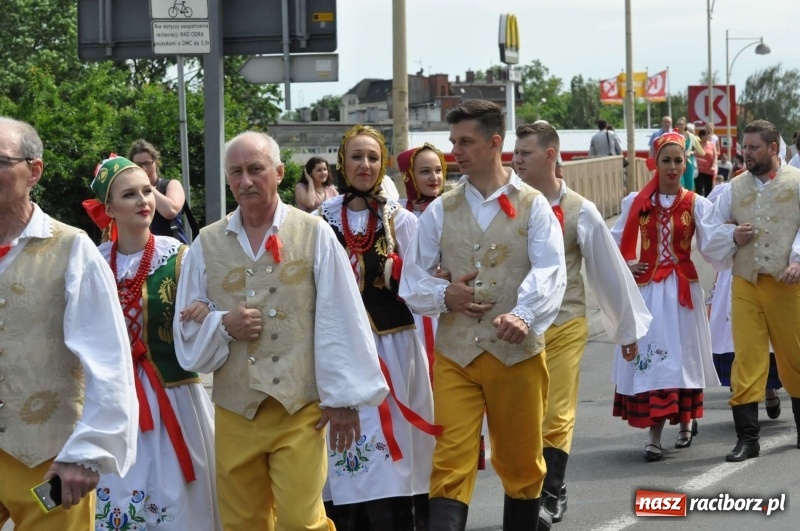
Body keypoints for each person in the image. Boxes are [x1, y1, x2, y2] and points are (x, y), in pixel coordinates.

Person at [173, 131, 389, 530]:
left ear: (279, 172)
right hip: (236, 410)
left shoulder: (314, 233)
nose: (245, 181)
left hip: (299, 408)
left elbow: (341, 317)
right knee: (243, 523)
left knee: (300, 522)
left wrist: (343, 398)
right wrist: (224, 325)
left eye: (255, 169)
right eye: (235, 172)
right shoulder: (205, 244)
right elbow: (187, 336)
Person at [400, 100, 567, 530]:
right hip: (456, 356)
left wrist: (524, 315)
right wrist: (445, 294)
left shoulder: (535, 206)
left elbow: (551, 271)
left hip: (517, 354)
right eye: (453, 141)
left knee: (521, 462)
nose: (456, 150)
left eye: (465, 141)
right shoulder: (440, 210)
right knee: (451, 460)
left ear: (495, 143)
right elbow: (413, 281)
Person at [0, 117, 138, 530]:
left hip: (44, 460)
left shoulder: (71, 248)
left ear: (34, 171)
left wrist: (89, 451)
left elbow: (108, 358)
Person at [513, 122, 652, 529]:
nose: (516, 160)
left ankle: (549, 493)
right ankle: (539, 487)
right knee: (524, 417)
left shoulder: (581, 210)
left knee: (557, 412)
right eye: (515, 153)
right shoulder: (507, 203)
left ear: (551, 155)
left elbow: (609, 273)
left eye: (525, 153)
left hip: (566, 322)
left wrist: (626, 331)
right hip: (518, 330)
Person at [82, 155, 221, 530]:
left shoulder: (180, 257)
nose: (144, 200)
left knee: (178, 498)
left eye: (147, 190)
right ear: (109, 208)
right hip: (113, 401)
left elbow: (213, 311)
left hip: (174, 397)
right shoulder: (92, 263)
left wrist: (206, 310)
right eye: (130, 194)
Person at [318, 125, 439, 531]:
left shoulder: (399, 220)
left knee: (394, 458)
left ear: (383, 163)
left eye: (372, 157)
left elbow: (425, 282)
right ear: (342, 162)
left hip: (392, 346)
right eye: (356, 156)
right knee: (345, 456)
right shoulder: (319, 222)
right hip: (339, 349)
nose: (364, 165)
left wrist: (395, 270)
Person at [611, 131, 720, 462]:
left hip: (683, 291)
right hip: (648, 292)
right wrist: (626, 265)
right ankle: (655, 433)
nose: (673, 167)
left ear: (686, 163)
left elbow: (715, 241)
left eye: (678, 161)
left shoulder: (696, 203)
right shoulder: (637, 203)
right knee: (655, 359)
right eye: (666, 161)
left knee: (683, 357)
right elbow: (611, 244)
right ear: (654, 163)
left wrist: (738, 236)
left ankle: (685, 423)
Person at [704, 119, 800, 462]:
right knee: (746, 358)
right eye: (744, 147)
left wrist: (798, 259)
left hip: (787, 285)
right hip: (746, 282)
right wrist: (731, 237)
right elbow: (709, 232)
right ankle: (747, 438)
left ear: (773, 149)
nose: (746, 153)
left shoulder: (797, 182)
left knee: (795, 357)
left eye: (753, 147)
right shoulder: (733, 189)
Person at [705, 181, 782, 421]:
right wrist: (729, 232)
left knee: (767, 335)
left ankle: (769, 390)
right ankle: (744, 404)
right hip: (735, 268)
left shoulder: (781, 188)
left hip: (766, 268)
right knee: (736, 337)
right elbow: (710, 229)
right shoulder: (728, 191)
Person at [129, 139, 197, 243]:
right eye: (138, 165)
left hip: (174, 253)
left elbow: (170, 211)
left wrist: (147, 185)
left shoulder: (170, 185)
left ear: (155, 163)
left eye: (147, 163)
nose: (144, 169)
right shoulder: (131, 193)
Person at [674, 118, 704, 192]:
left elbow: (701, 152)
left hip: (689, 162)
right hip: (677, 162)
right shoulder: (673, 136)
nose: (679, 126)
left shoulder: (691, 137)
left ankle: (689, 201)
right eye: (678, 124)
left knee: (689, 184)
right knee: (680, 183)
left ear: (685, 126)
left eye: (681, 124)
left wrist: (691, 153)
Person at [696, 128, 718, 197]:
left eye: (709, 135)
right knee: (699, 189)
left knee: (708, 191)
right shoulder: (697, 144)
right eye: (707, 135)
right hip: (699, 171)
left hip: (709, 170)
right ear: (702, 136)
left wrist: (714, 165)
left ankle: (708, 205)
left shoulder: (712, 145)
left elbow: (715, 156)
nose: (708, 136)